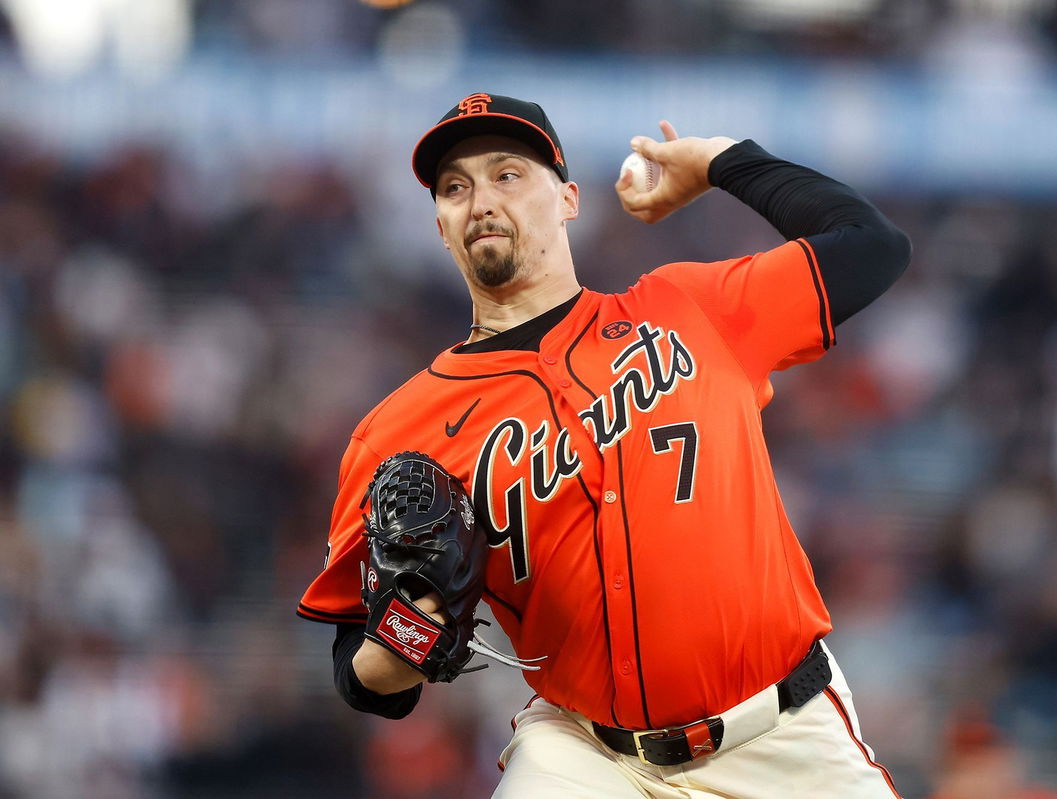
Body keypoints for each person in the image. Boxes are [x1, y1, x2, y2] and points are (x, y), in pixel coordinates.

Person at [297, 91, 911, 798]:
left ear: (568, 199)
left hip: (782, 733)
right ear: (440, 225)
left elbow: (873, 245)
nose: (482, 200)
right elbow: (364, 676)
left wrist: (721, 162)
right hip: (586, 753)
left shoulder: (689, 310)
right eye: (455, 187)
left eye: (508, 174)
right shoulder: (398, 431)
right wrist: (408, 633)